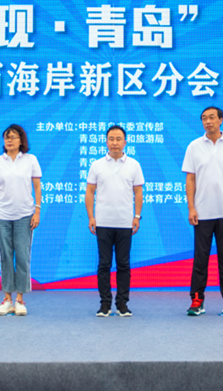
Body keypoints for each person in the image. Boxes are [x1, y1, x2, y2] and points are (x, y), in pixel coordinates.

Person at [183, 106, 223, 317]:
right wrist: (191, 207)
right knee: (200, 258)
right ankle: (197, 300)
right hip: (202, 212)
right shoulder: (194, 146)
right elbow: (190, 179)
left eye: (212, 117)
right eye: (204, 118)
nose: (208, 121)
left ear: (221, 120)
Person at [86, 125, 144, 317]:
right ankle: (105, 304)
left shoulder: (134, 165)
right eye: (111, 139)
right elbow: (90, 191)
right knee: (104, 264)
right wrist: (91, 216)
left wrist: (137, 216)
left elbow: (138, 192)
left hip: (125, 222)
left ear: (125, 142)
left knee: (123, 264)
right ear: (106, 142)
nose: (115, 142)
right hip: (103, 222)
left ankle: (122, 304)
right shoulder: (97, 165)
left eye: (119, 139)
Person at [0, 124, 42, 316]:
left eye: (13, 137)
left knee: (23, 257)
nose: (9, 140)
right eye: (6, 137)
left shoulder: (30, 160)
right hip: (2, 216)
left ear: (21, 140)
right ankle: (7, 299)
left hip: (25, 215)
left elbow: (37, 187)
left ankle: (20, 299)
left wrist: (37, 211)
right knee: (6, 257)